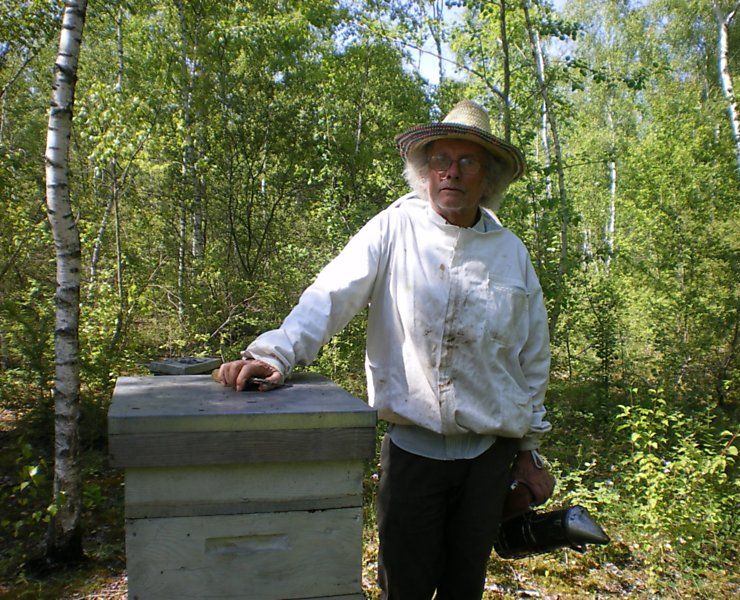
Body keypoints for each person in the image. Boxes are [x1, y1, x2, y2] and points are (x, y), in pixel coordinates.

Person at [218, 100, 555, 599]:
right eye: (442, 160)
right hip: (412, 455)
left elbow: (532, 359)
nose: (452, 173)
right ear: (424, 171)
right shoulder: (394, 227)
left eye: (468, 162)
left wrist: (529, 451)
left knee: (466, 587)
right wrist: (275, 354)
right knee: (405, 587)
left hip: (489, 460)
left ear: (489, 178)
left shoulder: (511, 253)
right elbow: (332, 293)